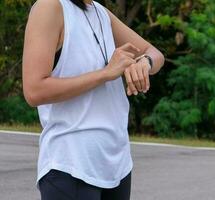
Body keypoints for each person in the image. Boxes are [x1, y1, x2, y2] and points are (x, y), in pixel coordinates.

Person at [22, 0, 165, 199]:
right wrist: (105, 73)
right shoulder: (50, 7)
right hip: (71, 164)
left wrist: (145, 63)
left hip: (117, 165)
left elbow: (155, 54)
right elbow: (34, 90)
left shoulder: (100, 12)